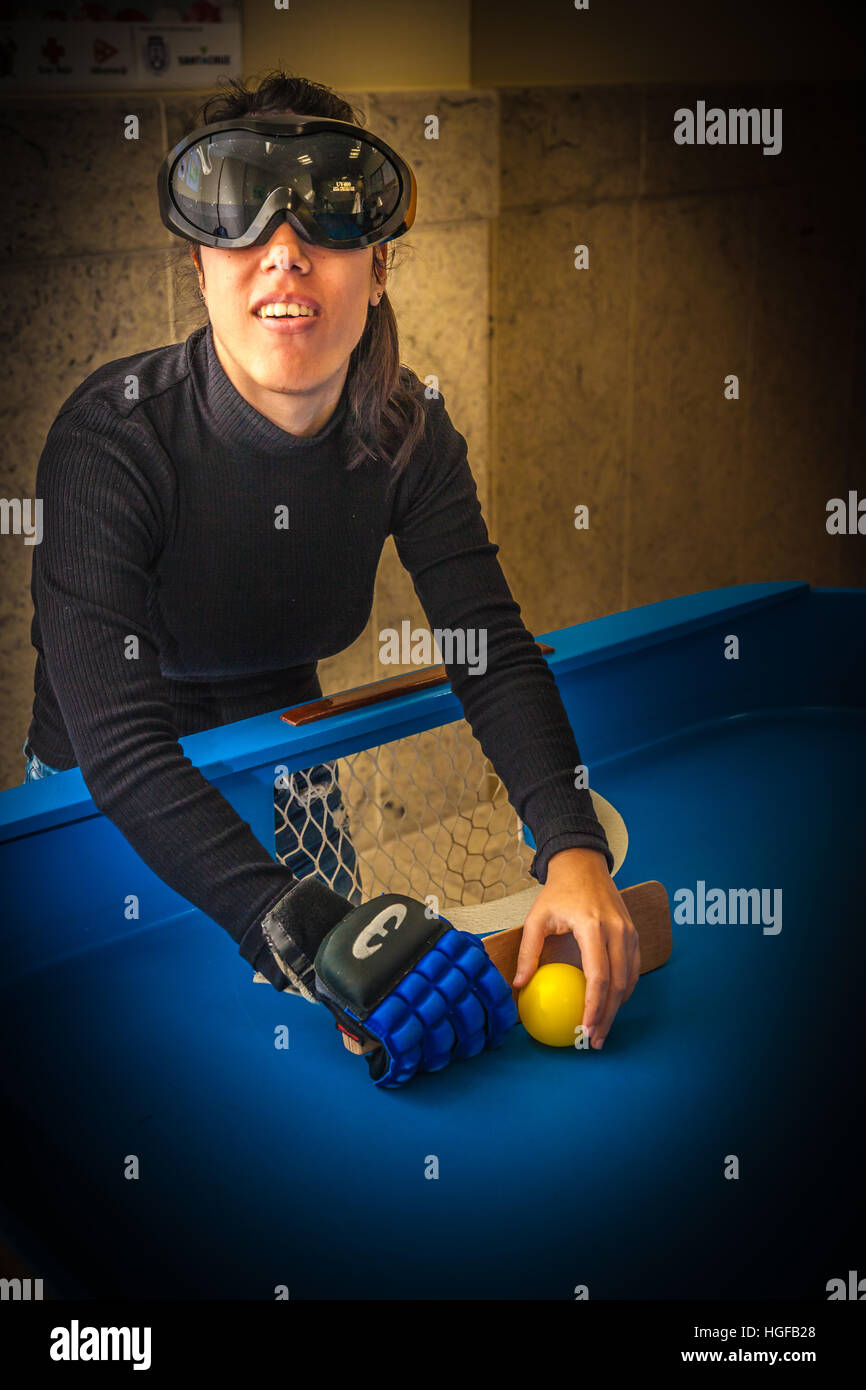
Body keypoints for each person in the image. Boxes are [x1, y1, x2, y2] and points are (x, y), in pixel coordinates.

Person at [22, 70, 638, 1069]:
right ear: (198, 264)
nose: (283, 254)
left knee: (311, 1073)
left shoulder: (408, 432)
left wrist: (569, 844)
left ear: (378, 265)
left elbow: (489, 647)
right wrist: (301, 928)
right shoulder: (111, 439)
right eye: (245, 224)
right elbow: (124, 748)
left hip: (293, 773)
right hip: (97, 797)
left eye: (325, 224)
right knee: (122, 1084)